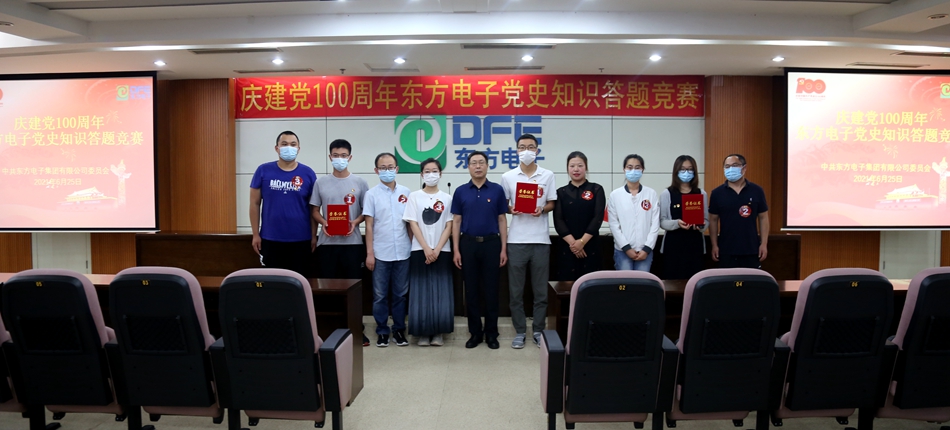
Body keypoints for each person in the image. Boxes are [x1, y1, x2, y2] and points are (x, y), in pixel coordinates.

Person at [310, 138, 370, 345]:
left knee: (354, 289)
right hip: (327, 245)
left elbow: (366, 212)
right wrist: (324, 222)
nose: (340, 159)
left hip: (353, 244)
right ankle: (330, 330)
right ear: (330, 157)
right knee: (328, 288)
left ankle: (356, 329)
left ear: (350, 157)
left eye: (343, 156)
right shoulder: (320, 182)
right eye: (336, 155)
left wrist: (355, 222)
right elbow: (314, 210)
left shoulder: (360, 183)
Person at [500, 133, 556, 349]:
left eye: (531, 147)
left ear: (537, 151)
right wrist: (510, 208)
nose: (526, 151)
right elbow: (504, 205)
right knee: (516, 291)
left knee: (540, 291)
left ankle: (539, 330)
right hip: (516, 240)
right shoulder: (508, 177)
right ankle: (520, 331)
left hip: (541, 240)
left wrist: (542, 209)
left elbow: (552, 203)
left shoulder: (547, 175)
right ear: (517, 151)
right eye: (522, 147)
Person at [451, 151, 508, 350]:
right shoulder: (460, 191)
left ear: (487, 166)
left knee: (492, 290)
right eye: (474, 163)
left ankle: (491, 333)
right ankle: (475, 333)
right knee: (471, 290)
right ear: (468, 167)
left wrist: (503, 248)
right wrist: (456, 249)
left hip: (492, 244)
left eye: (481, 162)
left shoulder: (497, 190)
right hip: (468, 244)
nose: (477, 166)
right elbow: (456, 221)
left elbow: (502, 219)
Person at [249, 130, 317, 276]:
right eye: (284, 144)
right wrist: (255, 234)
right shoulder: (263, 170)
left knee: (299, 282)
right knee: (273, 282)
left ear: (298, 149)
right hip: (270, 238)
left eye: (293, 144)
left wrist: (313, 235)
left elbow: (313, 209)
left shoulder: (308, 173)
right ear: (277, 148)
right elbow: (254, 203)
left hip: (301, 239)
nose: (289, 148)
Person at [403, 158, 454, 347]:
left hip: (443, 250)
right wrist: (426, 248)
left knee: (441, 290)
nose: (431, 174)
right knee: (421, 291)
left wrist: (437, 248)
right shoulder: (414, 196)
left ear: (440, 174)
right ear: (421, 174)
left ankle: (439, 333)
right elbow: (413, 223)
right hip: (420, 249)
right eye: (427, 171)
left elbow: (449, 225)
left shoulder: (447, 198)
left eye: (434, 171)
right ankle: (422, 333)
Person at [363, 152, 412, 347]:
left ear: (397, 169)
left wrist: (413, 247)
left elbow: (410, 224)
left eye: (390, 167)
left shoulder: (406, 193)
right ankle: (382, 331)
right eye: (383, 168)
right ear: (376, 170)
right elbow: (368, 226)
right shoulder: (371, 194)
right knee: (380, 296)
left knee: (400, 295)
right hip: (380, 253)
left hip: (403, 252)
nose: (387, 171)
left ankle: (399, 330)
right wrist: (370, 253)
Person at [709, 154, 769, 269]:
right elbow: (713, 220)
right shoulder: (717, 193)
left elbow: (763, 217)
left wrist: (764, 243)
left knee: (751, 279)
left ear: (744, 168)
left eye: (735, 165)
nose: (730, 169)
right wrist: (714, 245)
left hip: (751, 248)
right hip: (726, 249)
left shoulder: (757, 190)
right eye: (727, 166)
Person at [553, 151, 605, 281]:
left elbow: (597, 218)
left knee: (591, 285)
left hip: (590, 245)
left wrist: (582, 242)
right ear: (567, 169)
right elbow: (558, 220)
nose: (576, 169)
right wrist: (574, 245)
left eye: (580, 165)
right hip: (567, 247)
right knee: (567, 285)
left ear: (586, 167)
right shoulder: (560, 192)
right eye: (572, 166)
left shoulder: (596, 189)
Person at [659, 155, 709, 279]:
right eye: (682, 169)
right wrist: (677, 223)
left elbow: (706, 220)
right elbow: (662, 221)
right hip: (673, 245)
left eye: (690, 169)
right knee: (672, 281)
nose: (686, 172)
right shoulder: (667, 193)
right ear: (676, 171)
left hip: (695, 244)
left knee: (694, 281)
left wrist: (701, 225)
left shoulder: (701, 193)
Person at [607, 154, 660, 271]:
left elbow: (655, 224)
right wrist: (626, 248)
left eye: (637, 168)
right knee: (625, 281)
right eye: (629, 167)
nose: (633, 171)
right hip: (622, 251)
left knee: (642, 281)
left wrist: (647, 248)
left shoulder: (651, 194)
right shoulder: (615, 195)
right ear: (624, 169)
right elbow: (614, 224)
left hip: (645, 250)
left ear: (643, 170)